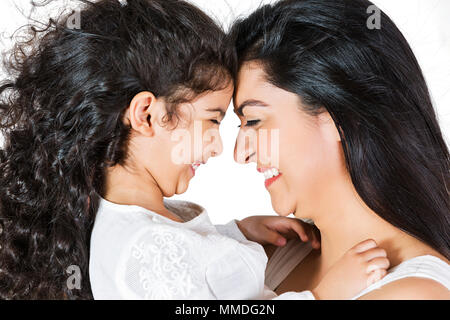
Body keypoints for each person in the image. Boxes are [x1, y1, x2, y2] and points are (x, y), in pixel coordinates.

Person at [0, 0, 388, 300]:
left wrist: (238, 232)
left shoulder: (138, 225)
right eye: (212, 121)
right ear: (147, 115)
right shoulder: (142, 248)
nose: (219, 147)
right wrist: (323, 294)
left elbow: (186, 262)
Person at [229, 0, 450, 299]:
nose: (239, 154)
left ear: (338, 118)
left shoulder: (414, 293)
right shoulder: (263, 255)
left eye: (254, 120)